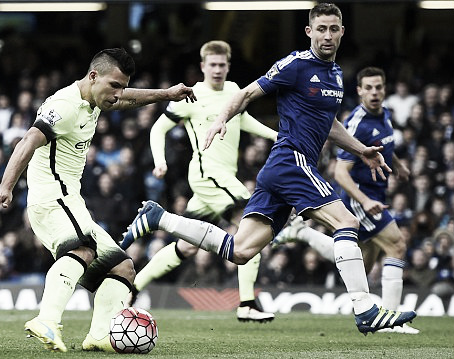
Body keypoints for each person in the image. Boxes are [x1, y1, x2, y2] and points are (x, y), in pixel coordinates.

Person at [120, 3, 417, 335]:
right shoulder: (296, 64)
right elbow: (247, 93)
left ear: (342, 32)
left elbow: (329, 124)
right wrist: (221, 120)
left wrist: (362, 150)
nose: (327, 35)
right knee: (346, 221)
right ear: (309, 31)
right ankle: (364, 308)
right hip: (292, 161)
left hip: (282, 170)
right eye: (321, 29)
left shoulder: (335, 76)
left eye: (334, 29)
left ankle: (159, 218)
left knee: (241, 251)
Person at [0, 48, 195, 353]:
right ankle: (46, 319)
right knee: (83, 248)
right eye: (114, 85)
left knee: (122, 267)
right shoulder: (65, 105)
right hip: (51, 197)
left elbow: (127, 98)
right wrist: (6, 187)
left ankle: (99, 335)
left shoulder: (95, 98)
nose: (118, 93)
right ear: (93, 76)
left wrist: (166, 94)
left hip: (70, 199)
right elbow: (29, 139)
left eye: (122, 85)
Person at [124, 40, 276, 323]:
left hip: (221, 179)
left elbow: (243, 121)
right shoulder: (192, 96)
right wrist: (160, 160)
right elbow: (159, 128)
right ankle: (246, 303)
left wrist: (276, 136)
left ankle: (132, 288)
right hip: (208, 175)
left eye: (222, 65)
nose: (218, 70)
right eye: (213, 65)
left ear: (228, 66)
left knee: (187, 245)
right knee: (251, 223)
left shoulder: (234, 91)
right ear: (203, 66)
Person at [274, 67, 419, 333]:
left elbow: (384, 146)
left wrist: (397, 164)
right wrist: (364, 201)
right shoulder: (356, 123)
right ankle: (392, 321)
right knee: (397, 244)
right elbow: (340, 173)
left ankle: (304, 233)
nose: (375, 92)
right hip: (360, 199)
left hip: (376, 196)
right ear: (360, 91)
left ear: (384, 89)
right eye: (369, 88)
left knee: (360, 260)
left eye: (379, 87)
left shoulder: (385, 114)